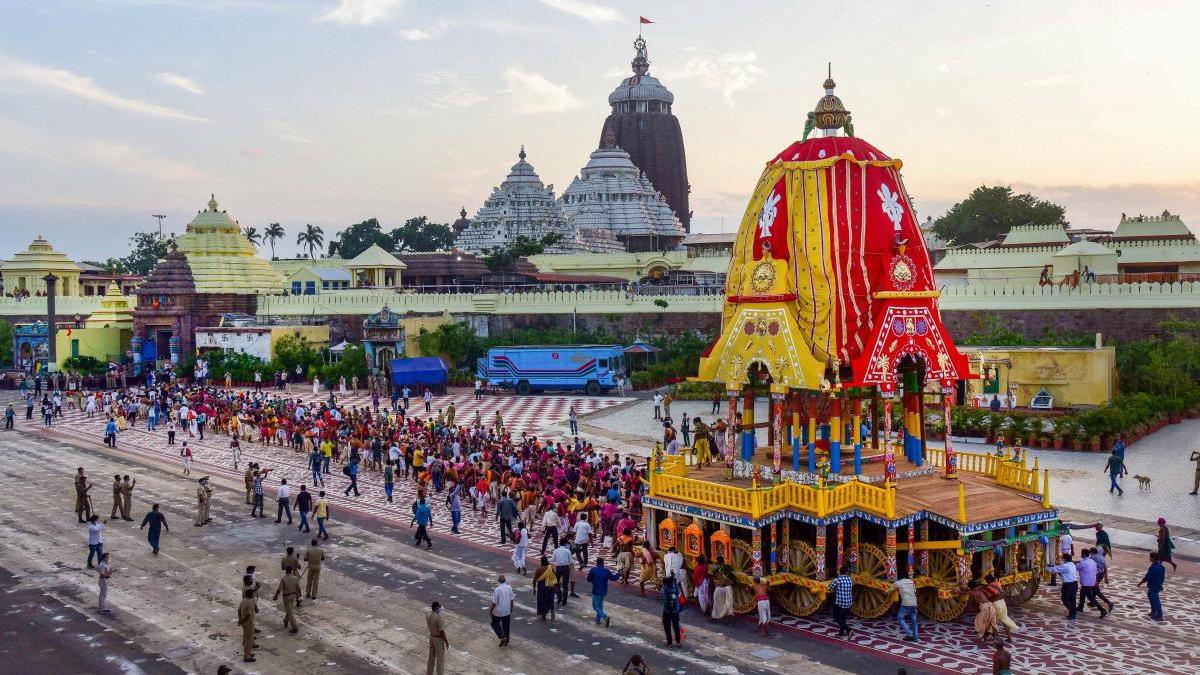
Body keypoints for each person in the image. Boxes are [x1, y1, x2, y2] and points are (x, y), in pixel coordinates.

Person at [586, 557, 620, 627]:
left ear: (597, 563)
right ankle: (598, 619)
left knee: (595, 606)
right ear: (603, 563)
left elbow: (588, 579)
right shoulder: (606, 571)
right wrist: (618, 574)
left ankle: (605, 617)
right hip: (604, 590)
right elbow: (613, 578)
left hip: (596, 590)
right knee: (600, 605)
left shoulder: (593, 570)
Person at [1075, 551, 1108, 618]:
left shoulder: (1083, 562)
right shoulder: (1092, 562)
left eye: (1081, 554)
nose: (1081, 555)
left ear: (1083, 554)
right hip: (1091, 581)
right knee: (1082, 594)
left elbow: (1076, 568)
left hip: (1086, 583)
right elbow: (1096, 572)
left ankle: (1102, 610)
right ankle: (1080, 607)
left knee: (1091, 598)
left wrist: (1072, 563)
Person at [1046, 553, 1080, 619]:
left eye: (1063, 559)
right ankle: (1072, 614)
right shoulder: (1072, 564)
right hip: (1074, 584)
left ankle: (1073, 611)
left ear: (1065, 559)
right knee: (1072, 599)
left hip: (1068, 585)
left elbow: (1055, 570)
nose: (1062, 560)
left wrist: (1045, 568)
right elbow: (1060, 571)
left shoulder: (1065, 566)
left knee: (1065, 599)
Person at [1137, 552, 1166, 621]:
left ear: (1154, 558)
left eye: (1151, 557)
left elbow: (1148, 576)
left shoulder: (1154, 567)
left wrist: (1140, 583)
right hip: (1157, 584)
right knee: (1150, 595)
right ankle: (1153, 611)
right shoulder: (1160, 566)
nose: (1149, 558)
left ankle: (1159, 615)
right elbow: (1163, 577)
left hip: (1154, 585)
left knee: (1156, 600)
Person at [272, 567, 302, 634]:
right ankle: (286, 620)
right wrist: (300, 595)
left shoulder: (284, 579)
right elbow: (298, 588)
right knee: (289, 609)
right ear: (291, 571)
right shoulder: (295, 578)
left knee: (290, 612)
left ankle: (294, 627)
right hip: (293, 596)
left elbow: (279, 589)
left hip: (286, 597)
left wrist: (276, 596)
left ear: (286, 572)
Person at [893, 570, 918, 641]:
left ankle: (909, 633)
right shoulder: (911, 581)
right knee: (914, 621)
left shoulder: (898, 582)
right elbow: (914, 591)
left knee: (900, 617)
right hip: (914, 603)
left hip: (906, 604)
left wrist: (886, 592)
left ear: (899, 576)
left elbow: (892, 588)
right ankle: (915, 638)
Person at [490, 575, 514, 646]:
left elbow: (494, 603)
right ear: (505, 580)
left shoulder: (497, 590)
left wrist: (490, 610)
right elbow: (511, 599)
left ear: (498, 581)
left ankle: (502, 637)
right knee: (506, 626)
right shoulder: (509, 587)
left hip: (498, 611)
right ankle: (506, 641)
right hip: (507, 610)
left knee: (494, 624)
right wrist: (511, 608)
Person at [426, 601, 448, 675]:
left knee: (431, 657)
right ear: (437, 608)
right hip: (438, 640)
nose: (440, 609)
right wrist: (446, 642)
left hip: (431, 637)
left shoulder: (428, 615)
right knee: (440, 659)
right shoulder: (438, 618)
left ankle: (429, 673)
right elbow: (441, 631)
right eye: (439, 607)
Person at [831, 565, 853, 638]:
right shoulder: (850, 579)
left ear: (839, 572)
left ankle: (849, 629)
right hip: (849, 602)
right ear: (846, 572)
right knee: (843, 617)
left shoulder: (837, 579)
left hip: (840, 603)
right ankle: (841, 633)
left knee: (836, 617)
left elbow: (830, 588)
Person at [661, 575, 682, 646]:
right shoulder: (676, 587)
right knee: (676, 626)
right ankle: (678, 642)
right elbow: (678, 596)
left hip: (667, 611)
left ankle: (669, 643)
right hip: (675, 610)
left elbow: (664, 600)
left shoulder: (664, 589)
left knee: (667, 626)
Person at [237, 589, 257, 663]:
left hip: (244, 624)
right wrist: (242, 621)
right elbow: (248, 615)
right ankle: (247, 656)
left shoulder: (243, 601)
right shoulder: (250, 603)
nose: (254, 595)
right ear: (251, 595)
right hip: (249, 624)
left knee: (246, 638)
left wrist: (240, 620)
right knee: (249, 640)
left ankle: (248, 653)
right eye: (253, 593)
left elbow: (239, 610)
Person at [552, 541, 574, 606]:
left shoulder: (556, 550)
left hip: (558, 568)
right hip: (566, 568)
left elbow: (552, 560)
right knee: (565, 585)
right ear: (565, 544)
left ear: (560, 544)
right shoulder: (568, 551)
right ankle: (564, 601)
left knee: (556, 583)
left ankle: (559, 597)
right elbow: (571, 561)